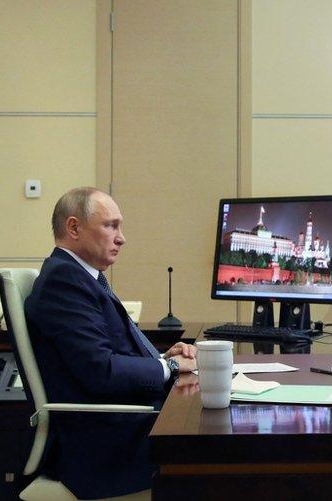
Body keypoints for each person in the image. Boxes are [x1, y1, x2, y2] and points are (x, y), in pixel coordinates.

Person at [24, 187, 198, 499]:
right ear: (74, 227)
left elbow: (109, 353)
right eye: (111, 226)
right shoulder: (64, 282)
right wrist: (169, 366)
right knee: (218, 448)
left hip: (123, 426)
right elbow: (101, 372)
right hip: (106, 447)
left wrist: (161, 358)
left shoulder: (82, 277)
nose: (121, 238)